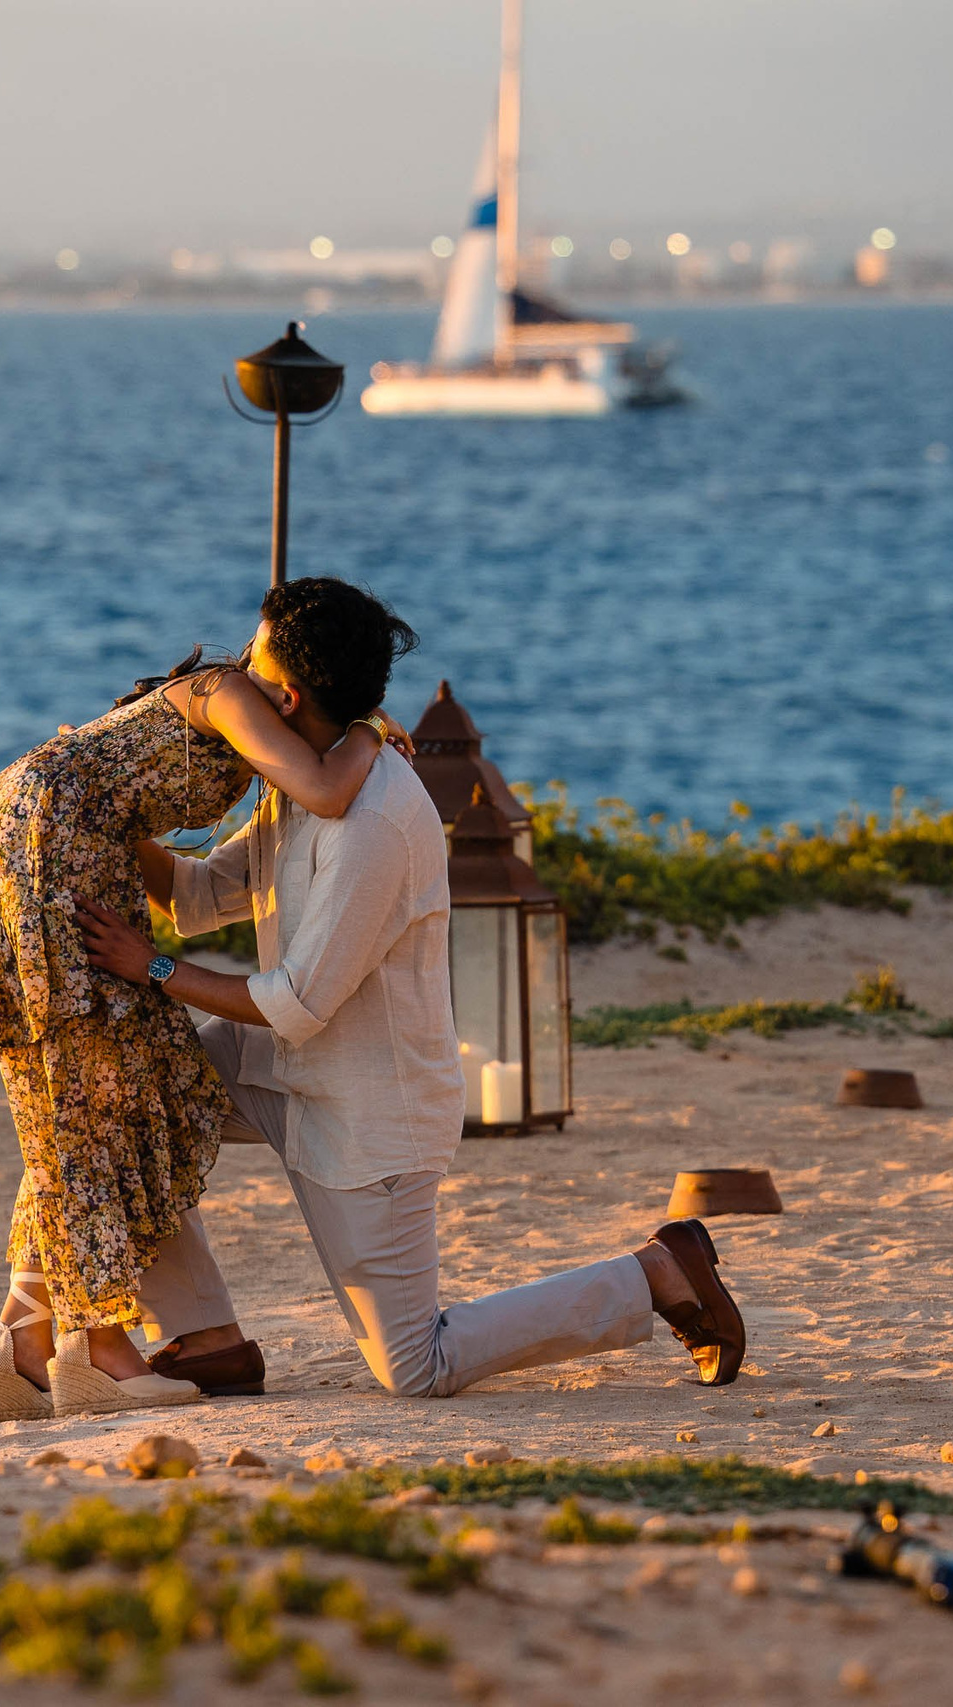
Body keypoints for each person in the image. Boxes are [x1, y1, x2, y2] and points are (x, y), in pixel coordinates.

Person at [76, 578, 749, 1399]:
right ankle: (203, 1336)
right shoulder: (298, 782)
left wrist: (149, 969)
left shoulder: (380, 821)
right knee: (124, 1101)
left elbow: (300, 1001)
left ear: (286, 699)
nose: (236, 674)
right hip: (276, 1066)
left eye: (250, 661)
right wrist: (102, 811)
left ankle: (656, 1273)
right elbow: (195, 896)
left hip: (369, 1117)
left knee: (414, 1367)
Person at [0, 579, 410, 1421]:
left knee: (93, 1097)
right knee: (101, 1097)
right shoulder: (233, 693)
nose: (245, 654)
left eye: (260, 642)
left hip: (22, 825)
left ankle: (21, 1338)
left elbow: (200, 878)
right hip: (50, 837)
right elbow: (329, 789)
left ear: (295, 687)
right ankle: (98, 1348)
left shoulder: (250, 704)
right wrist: (372, 732)